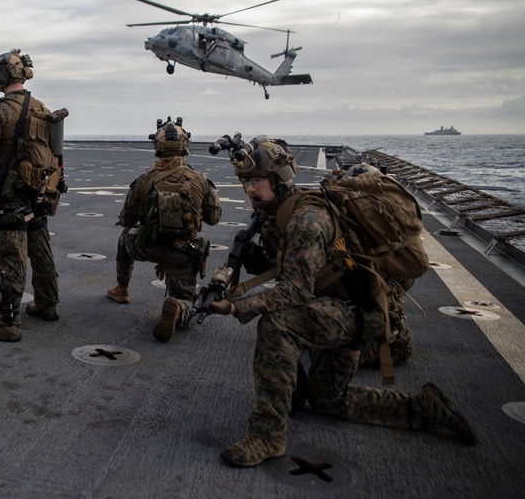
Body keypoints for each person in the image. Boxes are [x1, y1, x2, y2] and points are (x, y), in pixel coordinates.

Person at [207, 136, 475, 467]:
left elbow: (295, 291)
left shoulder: (306, 221)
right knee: (326, 400)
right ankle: (420, 408)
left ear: (279, 179)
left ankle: (267, 437)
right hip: (342, 304)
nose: (249, 189)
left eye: (257, 181)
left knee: (278, 325)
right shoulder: (274, 212)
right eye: (245, 182)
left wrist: (237, 306)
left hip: (360, 312)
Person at [0, 48, 61, 342]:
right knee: (41, 252)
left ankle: (9, 321)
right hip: (38, 194)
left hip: (10, 196)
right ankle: (47, 304)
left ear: (3, 77)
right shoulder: (41, 107)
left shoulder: (0, 110)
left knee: (10, 258)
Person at [106, 117, 222, 342]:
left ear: (157, 148)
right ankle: (178, 307)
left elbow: (127, 219)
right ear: (185, 146)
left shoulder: (143, 180)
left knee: (124, 238)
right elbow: (214, 218)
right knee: (189, 301)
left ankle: (122, 289)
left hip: (147, 246)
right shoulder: (201, 180)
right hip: (181, 254)